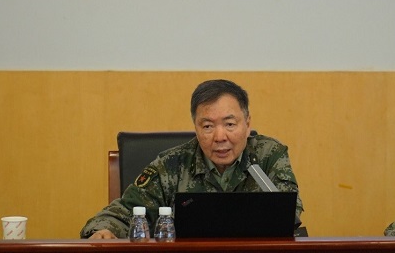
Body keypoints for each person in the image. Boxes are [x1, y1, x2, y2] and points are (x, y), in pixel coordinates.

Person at [80, 79, 304, 239]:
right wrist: (103, 230)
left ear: (247, 124)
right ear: (196, 128)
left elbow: (289, 213)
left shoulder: (268, 155)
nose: (219, 137)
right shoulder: (172, 165)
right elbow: (124, 213)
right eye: (207, 126)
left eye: (229, 124)